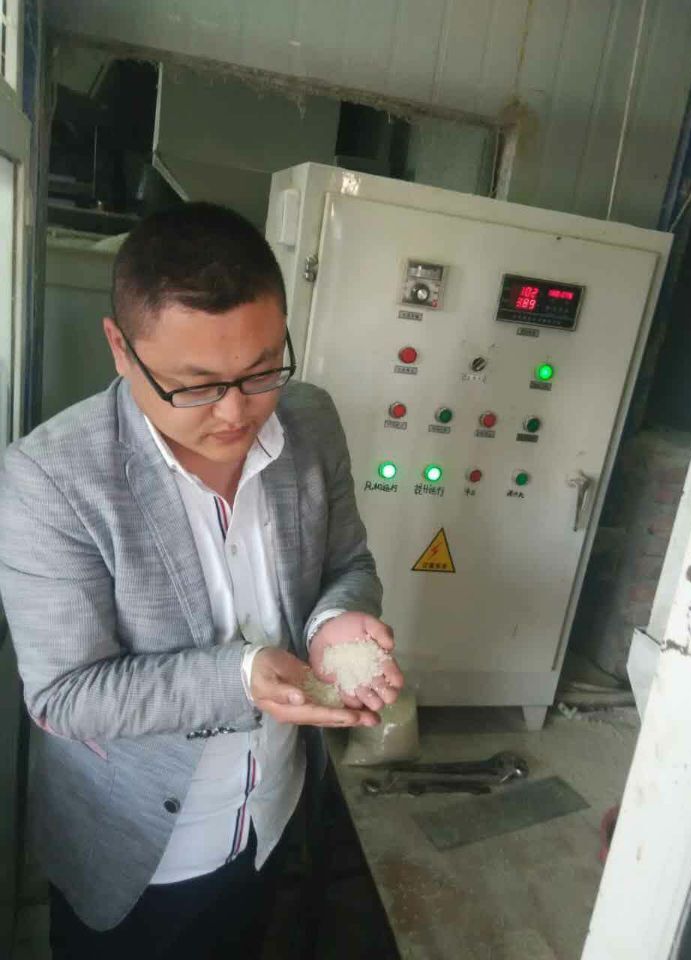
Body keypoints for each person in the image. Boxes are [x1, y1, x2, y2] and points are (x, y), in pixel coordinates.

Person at [0, 202, 403, 958]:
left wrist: (335, 622)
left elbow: (346, 564)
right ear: (120, 348)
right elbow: (65, 696)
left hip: (270, 816)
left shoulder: (311, 422)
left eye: (262, 371)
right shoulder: (51, 479)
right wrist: (243, 675)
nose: (235, 412)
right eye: (195, 385)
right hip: (136, 853)